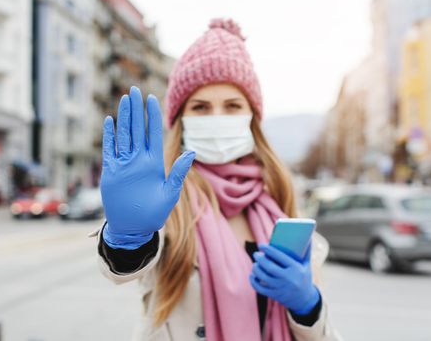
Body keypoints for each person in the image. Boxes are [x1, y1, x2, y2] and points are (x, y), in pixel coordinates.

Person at [91, 18, 342, 341]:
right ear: (181, 121)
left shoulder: (279, 202)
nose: (217, 117)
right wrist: (126, 240)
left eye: (233, 105)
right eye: (201, 106)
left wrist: (308, 306)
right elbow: (124, 270)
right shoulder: (165, 199)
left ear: (252, 117)